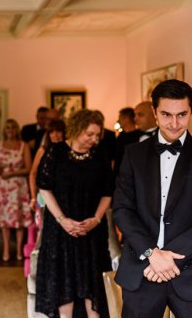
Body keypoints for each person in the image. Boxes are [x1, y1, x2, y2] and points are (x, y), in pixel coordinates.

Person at [113, 79, 192, 318]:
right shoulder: (133, 154)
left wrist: (168, 259)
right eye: (166, 114)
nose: (174, 123)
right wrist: (152, 254)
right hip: (142, 271)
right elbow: (123, 210)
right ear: (154, 112)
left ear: (191, 112)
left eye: (182, 115)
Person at [34, 109, 112, 318]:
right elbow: (44, 186)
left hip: (91, 229)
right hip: (60, 228)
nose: (94, 139)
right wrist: (62, 220)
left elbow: (108, 192)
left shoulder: (100, 156)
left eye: (97, 135)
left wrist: (96, 219)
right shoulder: (56, 152)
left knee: (92, 280)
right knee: (63, 280)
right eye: (89, 134)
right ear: (77, 129)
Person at [0, 118, 33, 261]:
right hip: (3, 187)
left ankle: (19, 251)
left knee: (19, 218)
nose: (10, 130)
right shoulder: (0, 145)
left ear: (17, 130)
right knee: (4, 220)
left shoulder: (23, 146)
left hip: (18, 186)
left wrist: (12, 173)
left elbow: (29, 168)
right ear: (5, 130)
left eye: (13, 127)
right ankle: (6, 250)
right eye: (7, 127)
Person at [28, 119, 66, 211]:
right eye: (52, 132)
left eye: (58, 132)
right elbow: (33, 173)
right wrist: (33, 198)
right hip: (44, 195)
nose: (55, 135)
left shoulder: (69, 151)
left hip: (64, 196)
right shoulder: (43, 150)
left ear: (64, 133)